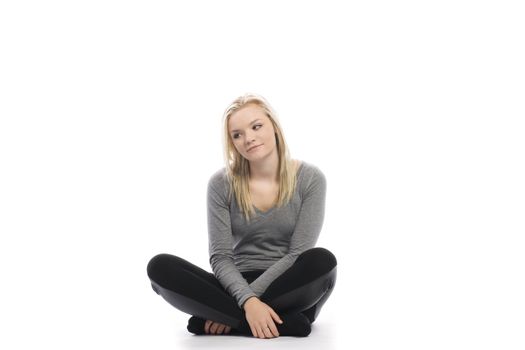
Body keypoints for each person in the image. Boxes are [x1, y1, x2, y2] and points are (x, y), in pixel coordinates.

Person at [146, 93, 337, 339]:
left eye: (256, 126)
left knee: (322, 261)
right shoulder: (221, 183)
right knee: (160, 266)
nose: (249, 138)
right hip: (235, 282)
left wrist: (250, 299)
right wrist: (247, 300)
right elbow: (221, 257)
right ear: (232, 142)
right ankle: (284, 323)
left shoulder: (310, 179)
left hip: (290, 285)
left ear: (274, 127)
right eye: (237, 134)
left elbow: (297, 253)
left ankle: (224, 317)